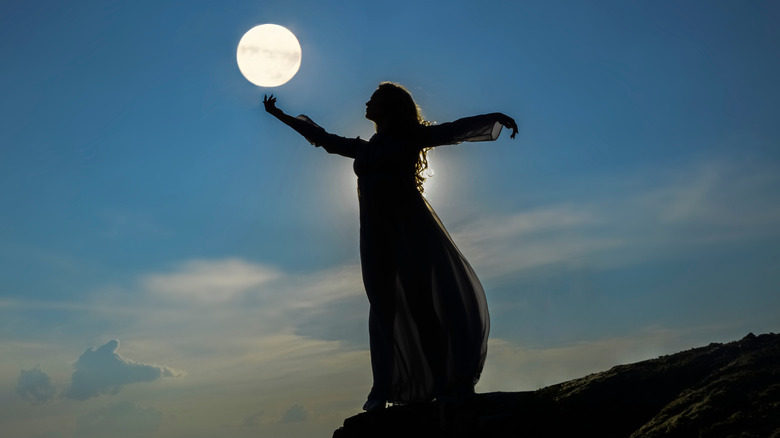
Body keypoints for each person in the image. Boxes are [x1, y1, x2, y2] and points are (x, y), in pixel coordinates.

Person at [263, 82, 518, 411]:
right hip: (374, 236)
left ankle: (442, 382)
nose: (367, 103)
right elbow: (324, 139)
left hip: (410, 230)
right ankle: (381, 389)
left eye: (375, 99)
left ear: (391, 107)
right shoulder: (366, 148)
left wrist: (494, 118)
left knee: (421, 306)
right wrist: (279, 115)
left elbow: (454, 130)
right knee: (381, 310)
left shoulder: (410, 137)